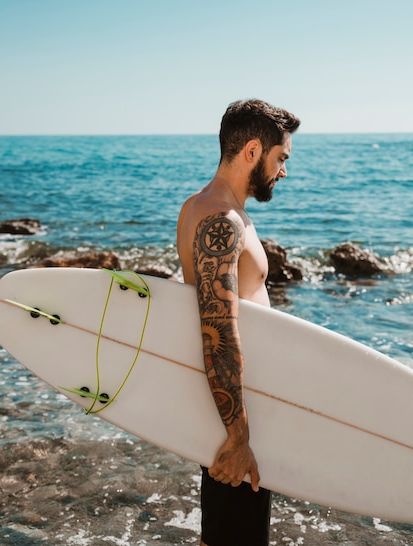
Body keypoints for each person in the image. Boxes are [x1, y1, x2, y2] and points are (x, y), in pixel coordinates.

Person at [177, 98, 300, 546]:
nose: (283, 171)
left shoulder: (200, 205)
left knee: (224, 533)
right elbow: (218, 332)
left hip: (230, 404)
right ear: (252, 150)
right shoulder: (222, 221)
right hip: (236, 408)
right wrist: (238, 433)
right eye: (280, 158)